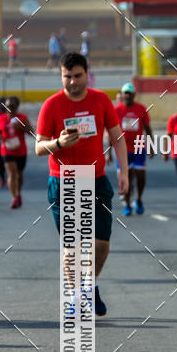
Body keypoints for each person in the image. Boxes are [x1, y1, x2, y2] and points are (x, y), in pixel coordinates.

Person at [35, 52, 128, 317]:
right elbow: (39, 147)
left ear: (87, 73)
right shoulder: (51, 105)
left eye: (77, 76)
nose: (73, 82)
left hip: (95, 180)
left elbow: (118, 137)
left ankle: (90, 284)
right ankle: (75, 297)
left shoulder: (100, 100)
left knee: (101, 244)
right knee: (72, 246)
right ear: (61, 75)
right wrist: (59, 143)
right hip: (62, 182)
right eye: (67, 76)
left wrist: (123, 172)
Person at [114, 82, 153, 215]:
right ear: (122, 95)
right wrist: (108, 153)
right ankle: (127, 204)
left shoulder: (141, 109)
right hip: (122, 150)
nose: (128, 96)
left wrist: (152, 146)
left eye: (130, 93)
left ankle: (138, 199)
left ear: (134, 95)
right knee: (126, 178)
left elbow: (148, 129)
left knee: (141, 177)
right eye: (126, 93)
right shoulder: (116, 111)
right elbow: (111, 131)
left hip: (138, 148)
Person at [0, 96, 32, 208]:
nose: (9, 109)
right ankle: (14, 197)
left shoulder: (22, 117)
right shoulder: (2, 118)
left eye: (12, 107)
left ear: (17, 107)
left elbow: (31, 132)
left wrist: (20, 127)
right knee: (12, 174)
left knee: (19, 174)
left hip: (21, 150)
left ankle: (18, 193)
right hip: (7, 149)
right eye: (7, 107)